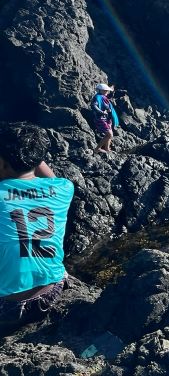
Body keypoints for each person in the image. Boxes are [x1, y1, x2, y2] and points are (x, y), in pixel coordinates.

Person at [0, 124, 74, 336]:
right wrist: (31, 150)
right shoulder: (64, 188)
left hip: (8, 308)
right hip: (52, 292)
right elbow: (44, 172)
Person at [91, 84, 118, 155]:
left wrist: (112, 88)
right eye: (105, 90)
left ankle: (107, 148)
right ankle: (97, 149)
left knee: (110, 134)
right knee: (109, 135)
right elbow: (94, 105)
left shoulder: (103, 97)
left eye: (107, 90)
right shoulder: (97, 97)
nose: (106, 91)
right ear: (100, 90)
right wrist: (102, 112)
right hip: (100, 119)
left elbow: (108, 101)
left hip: (107, 119)